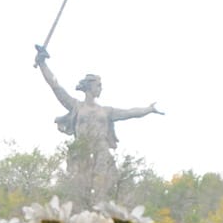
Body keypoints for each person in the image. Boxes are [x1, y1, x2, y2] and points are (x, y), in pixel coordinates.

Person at [35, 46, 161, 201]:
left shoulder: (107, 111)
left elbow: (130, 113)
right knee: (78, 188)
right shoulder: (76, 106)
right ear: (90, 87)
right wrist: (42, 63)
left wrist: (149, 109)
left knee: (102, 187)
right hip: (82, 149)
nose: (101, 88)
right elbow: (55, 86)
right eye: (98, 85)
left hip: (101, 150)